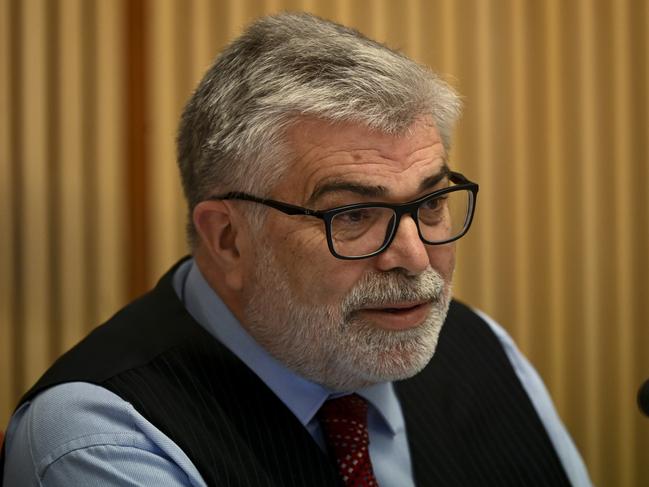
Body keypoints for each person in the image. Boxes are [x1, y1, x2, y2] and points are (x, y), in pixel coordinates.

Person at [1, 12, 591, 487]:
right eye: (354, 214)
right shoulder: (103, 436)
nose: (414, 257)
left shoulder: (482, 347)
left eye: (430, 204)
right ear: (228, 238)